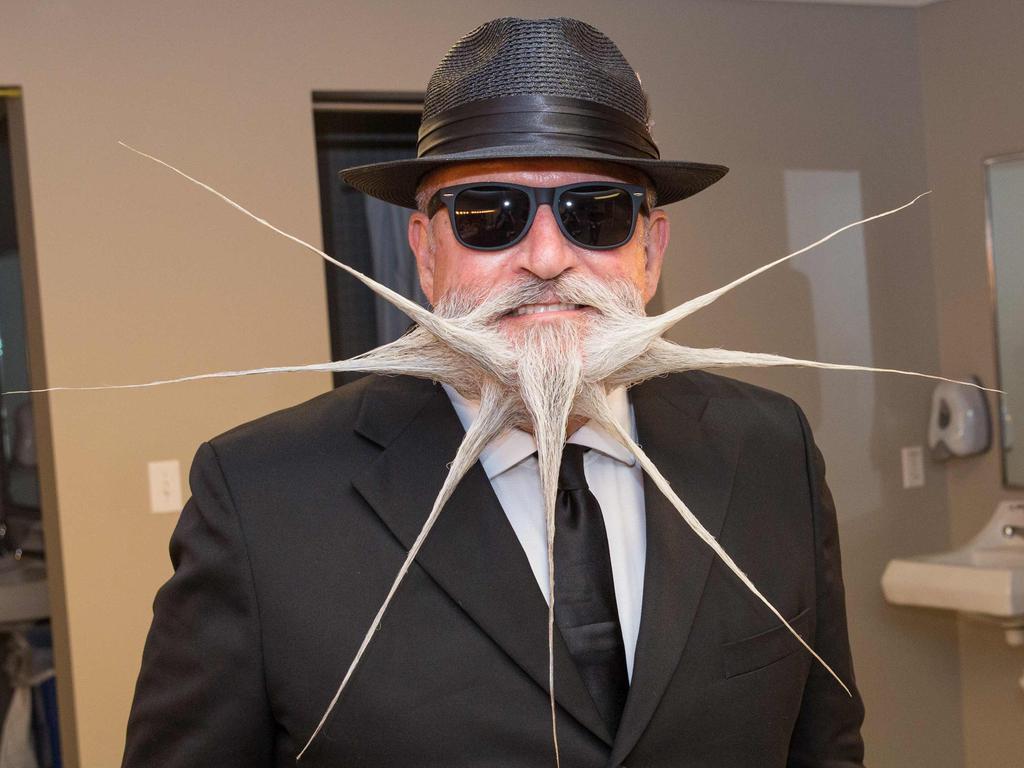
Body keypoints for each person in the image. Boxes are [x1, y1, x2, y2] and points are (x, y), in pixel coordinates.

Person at [121, 17, 865, 767]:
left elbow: (825, 746)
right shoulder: (261, 500)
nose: (545, 258)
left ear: (650, 251)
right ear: (425, 253)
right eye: (488, 216)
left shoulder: (771, 452)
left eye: (595, 213)